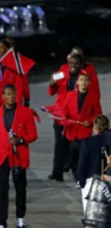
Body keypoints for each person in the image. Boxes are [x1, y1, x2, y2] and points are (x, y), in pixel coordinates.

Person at [0, 84, 37, 228]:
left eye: (13, 94)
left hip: (18, 155)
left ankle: (20, 216)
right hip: (2, 155)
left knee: (20, 187)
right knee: (2, 189)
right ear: (3, 96)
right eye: (8, 94)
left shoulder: (26, 112)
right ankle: (1, 222)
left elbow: (33, 135)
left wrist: (21, 140)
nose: (11, 97)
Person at [77, 115, 111, 228]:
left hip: (92, 182)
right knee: (107, 221)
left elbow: (82, 163)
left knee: (92, 220)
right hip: (108, 181)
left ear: (95, 127)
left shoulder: (89, 142)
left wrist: (82, 181)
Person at [47, 53, 85, 181]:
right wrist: (52, 84)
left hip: (74, 116)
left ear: (80, 65)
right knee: (59, 145)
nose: (73, 66)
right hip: (61, 114)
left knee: (73, 146)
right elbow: (52, 92)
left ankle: (77, 173)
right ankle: (57, 172)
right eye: (71, 63)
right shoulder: (61, 73)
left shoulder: (84, 77)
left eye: (76, 63)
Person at [61, 73, 102, 181]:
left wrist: (90, 121)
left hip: (84, 132)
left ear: (89, 83)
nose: (83, 82)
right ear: (77, 82)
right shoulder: (70, 95)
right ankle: (76, 174)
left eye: (86, 80)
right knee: (73, 155)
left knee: (83, 156)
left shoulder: (93, 96)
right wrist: (64, 117)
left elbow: (98, 113)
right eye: (81, 80)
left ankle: (81, 176)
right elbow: (64, 110)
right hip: (72, 131)